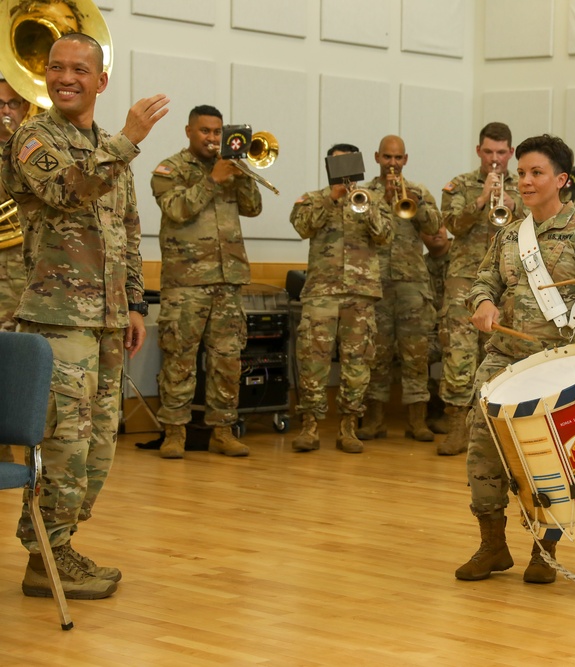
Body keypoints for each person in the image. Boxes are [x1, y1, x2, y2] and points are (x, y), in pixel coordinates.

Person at [0, 33, 168, 599]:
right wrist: (129, 140)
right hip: (56, 319)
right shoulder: (32, 138)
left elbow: (128, 230)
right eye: (55, 68)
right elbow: (70, 190)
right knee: (64, 445)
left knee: (99, 445)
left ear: (100, 80)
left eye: (78, 69)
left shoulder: (105, 143)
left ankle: (62, 546)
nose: (64, 77)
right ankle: (42, 555)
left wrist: (137, 304)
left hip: (107, 322)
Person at [457, 134, 575, 585]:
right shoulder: (508, 234)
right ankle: (493, 545)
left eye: (536, 173)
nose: (525, 181)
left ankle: (545, 548)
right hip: (504, 360)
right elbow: (484, 281)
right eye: (521, 173)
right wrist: (482, 303)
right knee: (483, 449)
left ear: (561, 180)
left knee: (549, 459)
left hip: (558, 363)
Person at [151, 105, 262, 459]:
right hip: (185, 283)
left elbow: (254, 208)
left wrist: (241, 174)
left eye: (217, 132)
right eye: (205, 131)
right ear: (188, 131)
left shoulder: (233, 168)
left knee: (228, 360)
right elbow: (177, 210)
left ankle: (224, 430)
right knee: (179, 359)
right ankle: (174, 432)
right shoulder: (169, 169)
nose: (212, 138)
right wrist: (212, 179)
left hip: (228, 281)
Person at [288, 144, 392, 453]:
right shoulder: (311, 200)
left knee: (357, 364)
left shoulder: (374, 200)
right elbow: (301, 226)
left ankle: (348, 426)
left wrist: (367, 206)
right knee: (312, 361)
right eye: (338, 166)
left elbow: (385, 236)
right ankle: (310, 426)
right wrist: (331, 198)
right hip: (321, 292)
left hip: (360, 294)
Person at [438, 122, 523, 456]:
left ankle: (498, 428)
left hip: (506, 280)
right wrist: (482, 199)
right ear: (478, 151)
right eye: (488, 152)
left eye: (501, 152)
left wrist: (517, 207)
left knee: (502, 353)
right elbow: (452, 225)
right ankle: (457, 425)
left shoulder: (524, 186)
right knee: (458, 352)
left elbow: (539, 226)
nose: (495, 159)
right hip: (464, 278)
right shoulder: (459, 185)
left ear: (511, 152)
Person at [356, 135, 441, 443]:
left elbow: (435, 227)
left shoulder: (418, 192)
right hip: (375, 283)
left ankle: (417, 421)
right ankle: (374, 420)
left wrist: (415, 205)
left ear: (405, 160)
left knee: (416, 354)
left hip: (411, 285)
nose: (392, 163)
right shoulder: (364, 194)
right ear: (377, 157)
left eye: (398, 158)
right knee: (375, 354)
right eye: (387, 157)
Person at [0, 75, 29, 465]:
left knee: (14, 361)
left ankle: (5, 442)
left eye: (13, 104)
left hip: (23, 273)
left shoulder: (33, 152)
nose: (5, 111)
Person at [421, 223, 451, 434]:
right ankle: (433, 409)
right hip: (431, 331)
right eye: (430, 229)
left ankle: (454, 414)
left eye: (440, 226)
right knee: (415, 356)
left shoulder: (462, 259)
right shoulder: (420, 265)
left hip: (459, 329)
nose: (436, 231)